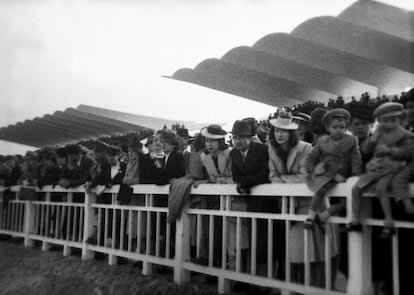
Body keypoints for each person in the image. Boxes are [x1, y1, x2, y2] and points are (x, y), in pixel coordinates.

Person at [268, 110, 338, 290]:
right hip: (291, 206)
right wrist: (284, 180)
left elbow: (305, 175)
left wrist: (285, 179)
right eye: (276, 131)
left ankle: (321, 288)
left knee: (319, 252)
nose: (280, 134)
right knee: (298, 252)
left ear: (291, 132)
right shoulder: (272, 150)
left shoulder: (306, 148)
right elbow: (272, 176)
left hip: (311, 205)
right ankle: (303, 288)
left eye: (283, 131)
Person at [346, 102, 414, 238]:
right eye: (356, 124)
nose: (360, 127)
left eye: (364, 123)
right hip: (366, 199)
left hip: (389, 190)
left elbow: (407, 156)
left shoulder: (401, 135)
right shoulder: (354, 144)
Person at [304, 108, 362, 229]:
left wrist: (356, 174)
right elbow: (310, 157)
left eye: (342, 127)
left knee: (349, 198)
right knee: (319, 191)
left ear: (346, 128)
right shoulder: (322, 141)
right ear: (328, 128)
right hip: (326, 174)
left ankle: (324, 215)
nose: (338, 130)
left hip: (344, 176)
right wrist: (313, 168)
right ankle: (311, 216)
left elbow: (355, 158)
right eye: (335, 127)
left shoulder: (351, 140)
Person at [230, 120, 270, 283]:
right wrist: (244, 181)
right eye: (235, 137)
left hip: (266, 202)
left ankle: (263, 281)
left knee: (263, 242)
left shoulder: (261, 149)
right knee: (248, 240)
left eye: (241, 137)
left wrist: (245, 182)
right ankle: (247, 279)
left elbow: (265, 175)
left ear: (250, 137)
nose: (238, 141)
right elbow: (235, 176)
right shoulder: (233, 153)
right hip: (248, 201)